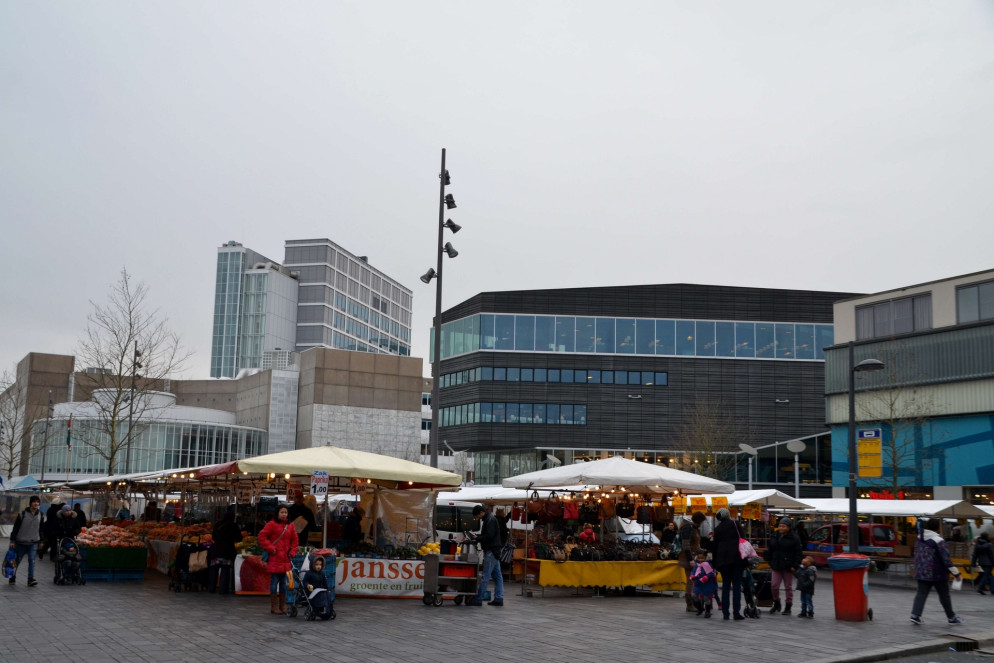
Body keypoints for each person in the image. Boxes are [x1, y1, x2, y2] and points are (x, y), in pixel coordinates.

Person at [910, 518, 964, 625]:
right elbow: (946, 559)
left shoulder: (919, 538)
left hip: (921, 571)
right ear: (938, 528)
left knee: (921, 593)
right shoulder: (939, 541)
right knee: (944, 595)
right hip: (937, 572)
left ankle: (915, 615)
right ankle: (951, 617)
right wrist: (956, 573)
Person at [258, 505, 299, 615]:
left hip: (285, 559)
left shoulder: (290, 526)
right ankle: (274, 606)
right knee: (274, 582)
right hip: (275, 558)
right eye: (282, 512)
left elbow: (295, 541)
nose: (284, 514)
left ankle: (282, 605)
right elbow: (262, 536)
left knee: (283, 583)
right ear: (277, 513)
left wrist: (292, 552)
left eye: (285, 512)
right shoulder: (271, 524)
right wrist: (271, 548)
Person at [712, 507, 746, 621]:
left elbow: (714, 547)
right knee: (736, 586)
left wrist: (715, 563)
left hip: (723, 561)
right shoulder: (736, 524)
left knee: (726, 586)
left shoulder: (717, 529)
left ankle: (725, 613)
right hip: (737, 559)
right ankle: (736, 613)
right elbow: (743, 540)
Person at [467, 505, 503, 607]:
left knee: (485, 576)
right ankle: (499, 598)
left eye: (477, 515)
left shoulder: (490, 520)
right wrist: (477, 536)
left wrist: (476, 538)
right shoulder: (490, 519)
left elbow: (488, 536)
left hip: (491, 551)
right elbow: (488, 535)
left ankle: (478, 599)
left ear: (482, 512)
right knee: (497, 577)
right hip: (495, 550)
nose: (477, 518)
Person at [767, 516, 803, 615]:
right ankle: (776, 602)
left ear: (788, 527)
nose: (781, 528)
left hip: (788, 566)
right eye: (780, 526)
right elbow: (770, 550)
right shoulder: (774, 536)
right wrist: (770, 561)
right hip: (776, 565)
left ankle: (788, 606)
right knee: (774, 586)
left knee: (788, 587)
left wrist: (795, 565)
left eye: (783, 526)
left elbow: (798, 553)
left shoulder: (794, 538)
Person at [9, 495, 43, 586]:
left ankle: (30, 579)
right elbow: (15, 528)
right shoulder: (22, 514)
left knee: (32, 560)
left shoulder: (41, 514)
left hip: (33, 542)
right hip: (21, 542)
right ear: (30, 503)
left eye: (37, 502)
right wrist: (12, 540)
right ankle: (12, 576)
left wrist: (41, 541)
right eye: (34, 501)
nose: (36, 503)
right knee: (17, 560)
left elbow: (41, 529)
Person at [209, 506, 241, 594]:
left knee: (214, 569)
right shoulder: (233, 526)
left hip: (215, 549)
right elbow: (239, 538)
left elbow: (213, 537)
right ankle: (223, 589)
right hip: (227, 550)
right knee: (225, 570)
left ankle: (211, 588)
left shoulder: (218, 524)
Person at [679, 514, 703, 612]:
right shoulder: (688, 528)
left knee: (693, 581)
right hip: (689, 558)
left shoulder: (693, 527)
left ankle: (695, 602)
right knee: (691, 581)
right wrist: (690, 559)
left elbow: (695, 544)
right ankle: (689, 604)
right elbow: (686, 545)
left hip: (694, 556)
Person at [302, 555, 334, 619]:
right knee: (320, 596)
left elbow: (325, 583)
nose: (319, 566)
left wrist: (327, 589)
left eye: (320, 565)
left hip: (319, 590)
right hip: (311, 591)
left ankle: (327, 609)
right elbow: (305, 581)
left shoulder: (322, 573)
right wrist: (307, 585)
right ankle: (318, 610)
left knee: (326, 595)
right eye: (316, 565)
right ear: (313, 565)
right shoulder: (309, 573)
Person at [689, 550, 718, 617]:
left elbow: (711, 573)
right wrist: (692, 576)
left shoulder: (709, 564)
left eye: (702, 558)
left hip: (707, 584)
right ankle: (700, 608)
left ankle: (707, 612)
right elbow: (693, 571)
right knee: (694, 595)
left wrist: (706, 577)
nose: (701, 560)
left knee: (706, 598)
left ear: (705, 557)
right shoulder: (697, 565)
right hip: (698, 583)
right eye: (699, 558)